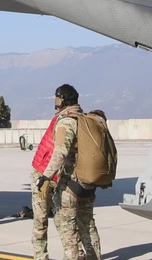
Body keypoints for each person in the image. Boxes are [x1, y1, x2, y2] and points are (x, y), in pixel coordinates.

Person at [35, 84, 100, 260]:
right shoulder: (87, 119)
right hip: (89, 183)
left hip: (71, 185)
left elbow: (60, 152)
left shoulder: (66, 121)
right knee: (88, 226)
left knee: (68, 229)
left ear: (62, 98)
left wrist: (45, 176)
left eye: (56, 96)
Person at [29, 107, 61, 260]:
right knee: (67, 221)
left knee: (40, 220)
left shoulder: (61, 120)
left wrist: (45, 176)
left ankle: (40, 256)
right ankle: (77, 254)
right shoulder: (79, 121)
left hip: (43, 172)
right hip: (62, 177)